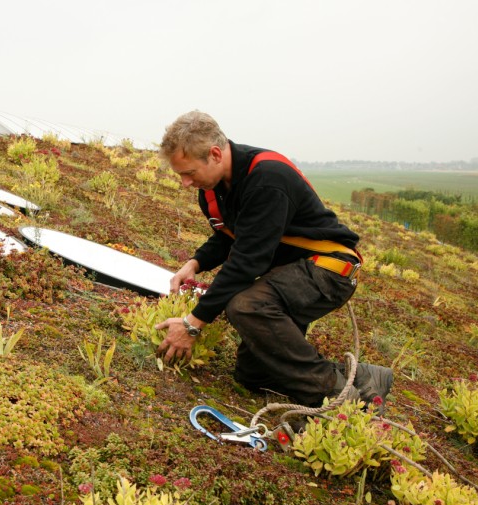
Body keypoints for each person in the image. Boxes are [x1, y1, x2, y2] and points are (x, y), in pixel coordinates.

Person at [154, 110, 392, 411]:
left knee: (246, 305)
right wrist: (195, 262)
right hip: (290, 273)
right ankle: (364, 377)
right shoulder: (213, 190)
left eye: (189, 173)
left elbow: (247, 262)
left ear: (215, 154)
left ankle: (339, 398)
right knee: (252, 376)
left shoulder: (267, 178)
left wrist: (192, 325)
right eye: (180, 175)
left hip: (329, 269)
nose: (185, 183)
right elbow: (232, 236)